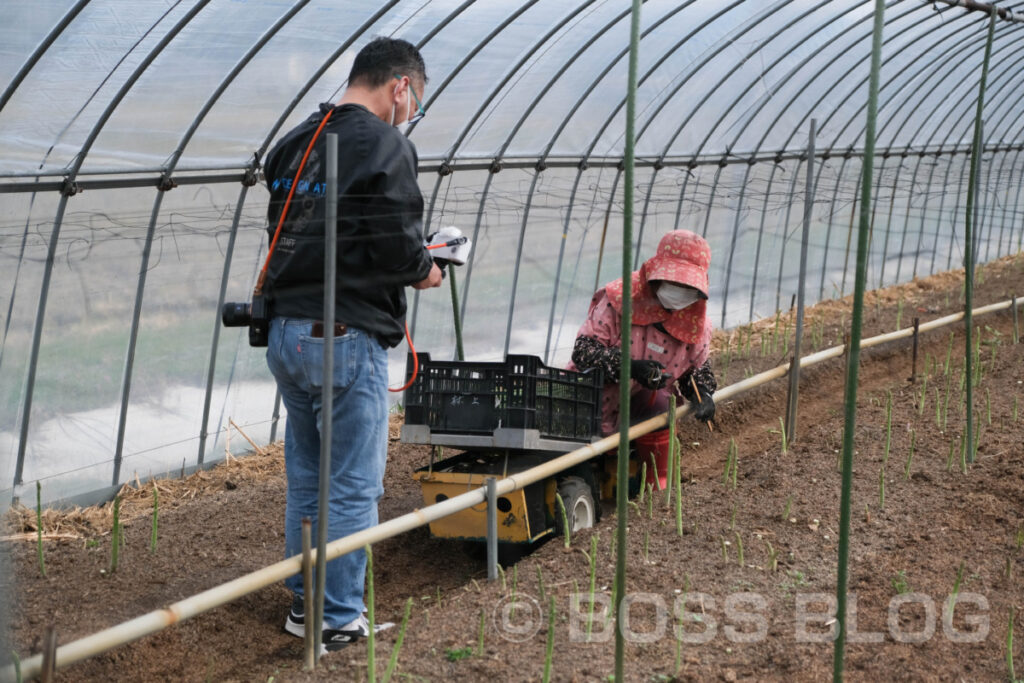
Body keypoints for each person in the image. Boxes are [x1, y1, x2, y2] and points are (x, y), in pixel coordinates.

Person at [261, 37, 443, 653]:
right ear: (400, 87)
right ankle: (338, 620)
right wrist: (429, 268)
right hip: (343, 336)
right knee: (351, 485)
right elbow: (398, 246)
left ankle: (303, 608)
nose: (411, 111)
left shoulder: (297, 142)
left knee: (308, 477)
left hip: (287, 332)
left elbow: (305, 229)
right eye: (414, 99)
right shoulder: (386, 144)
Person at [568, 229, 717, 488]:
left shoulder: (696, 325)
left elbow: (695, 369)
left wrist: (702, 392)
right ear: (655, 277)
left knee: (661, 404)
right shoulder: (619, 301)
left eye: (687, 287)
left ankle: (655, 484)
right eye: (674, 284)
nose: (679, 292)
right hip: (591, 399)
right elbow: (584, 352)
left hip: (638, 406)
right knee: (579, 465)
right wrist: (630, 367)